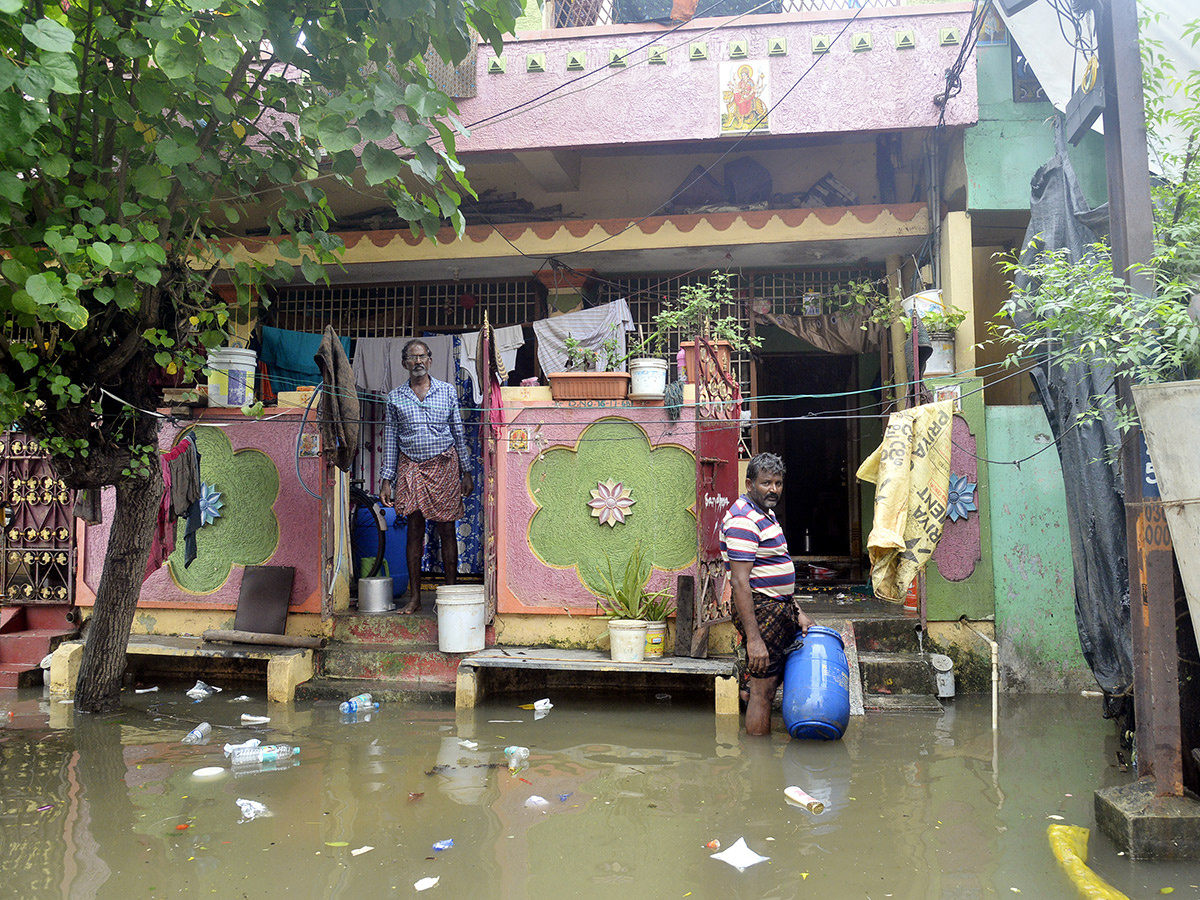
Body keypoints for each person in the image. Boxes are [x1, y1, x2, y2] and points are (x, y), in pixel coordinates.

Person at [720, 452, 815, 735]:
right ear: (750, 484)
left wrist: (798, 612)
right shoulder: (743, 520)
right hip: (762, 612)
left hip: (778, 608)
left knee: (767, 686)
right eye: (766, 483)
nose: (773, 489)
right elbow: (739, 582)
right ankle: (758, 767)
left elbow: (774, 569)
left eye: (777, 483)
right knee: (763, 692)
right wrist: (754, 640)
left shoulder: (766, 515)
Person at [379, 339, 473, 615]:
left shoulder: (447, 392)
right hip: (410, 467)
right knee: (414, 530)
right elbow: (391, 439)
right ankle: (415, 597)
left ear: (430, 360)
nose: (418, 362)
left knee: (446, 530)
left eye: (422, 357)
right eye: (412, 358)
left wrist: (465, 471)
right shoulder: (395, 397)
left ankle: (451, 595)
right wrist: (387, 479)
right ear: (404, 363)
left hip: (444, 466)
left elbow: (458, 432)